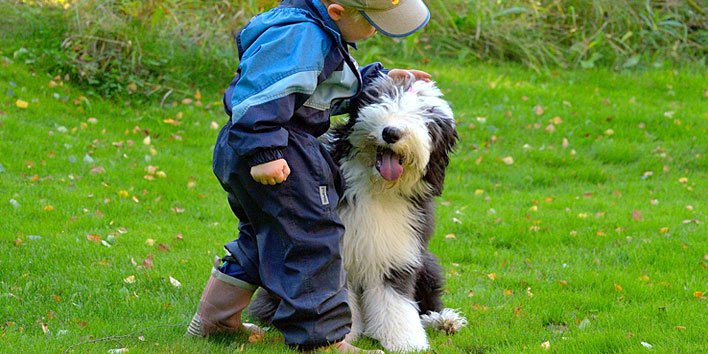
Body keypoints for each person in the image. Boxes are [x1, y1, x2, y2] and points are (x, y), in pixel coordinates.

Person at [186, 0, 431, 351]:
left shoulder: (314, 30)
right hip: (279, 146)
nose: (375, 30)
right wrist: (265, 151)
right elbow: (263, 93)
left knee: (263, 236)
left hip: (257, 143)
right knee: (313, 240)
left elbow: (325, 87)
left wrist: (380, 77)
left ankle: (215, 319)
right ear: (337, 11)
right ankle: (324, 340)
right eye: (372, 21)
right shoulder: (301, 37)